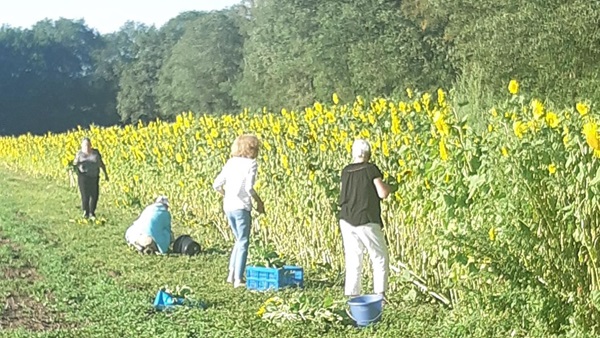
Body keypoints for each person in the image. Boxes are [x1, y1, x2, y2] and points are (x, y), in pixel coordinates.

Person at [338, 139, 393, 297]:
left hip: (346, 219)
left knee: (353, 258)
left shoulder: (346, 171)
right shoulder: (370, 169)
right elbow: (382, 193)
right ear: (369, 155)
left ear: (353, 154)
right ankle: (380, 295)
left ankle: (352, 296)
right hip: (366, 218)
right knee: (379, 256)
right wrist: (390, 186)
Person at [213, 134, 265, 288]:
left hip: (228, 206)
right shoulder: (251, 164)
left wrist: (227, 194)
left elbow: (216, 185)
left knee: (238, 239)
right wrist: (259, 202)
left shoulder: (231, 162)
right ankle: (238, 279)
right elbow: (249, 188)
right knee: (243, 241)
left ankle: (231, 275)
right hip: (241, 207)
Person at [73, 137, 109, 219]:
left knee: (94, 195)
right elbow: (74, 165)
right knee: (85, 195)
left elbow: (101, 163)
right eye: (85, 145)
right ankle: (86, 211)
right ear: (82, 146)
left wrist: (105, 174)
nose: (87, 147)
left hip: (94, 176)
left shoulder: (95, 153)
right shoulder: (79, 154)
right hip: (83, 177)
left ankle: (92, 212)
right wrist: (75, 166)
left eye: (88, 145)